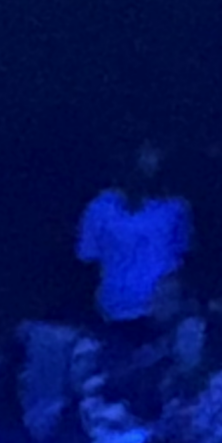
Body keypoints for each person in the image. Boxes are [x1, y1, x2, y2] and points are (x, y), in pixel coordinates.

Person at [77, 141, 193, 331]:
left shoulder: (176, 208)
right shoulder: (100, 208)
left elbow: (89, 258)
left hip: (151, 309)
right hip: (127, 309)